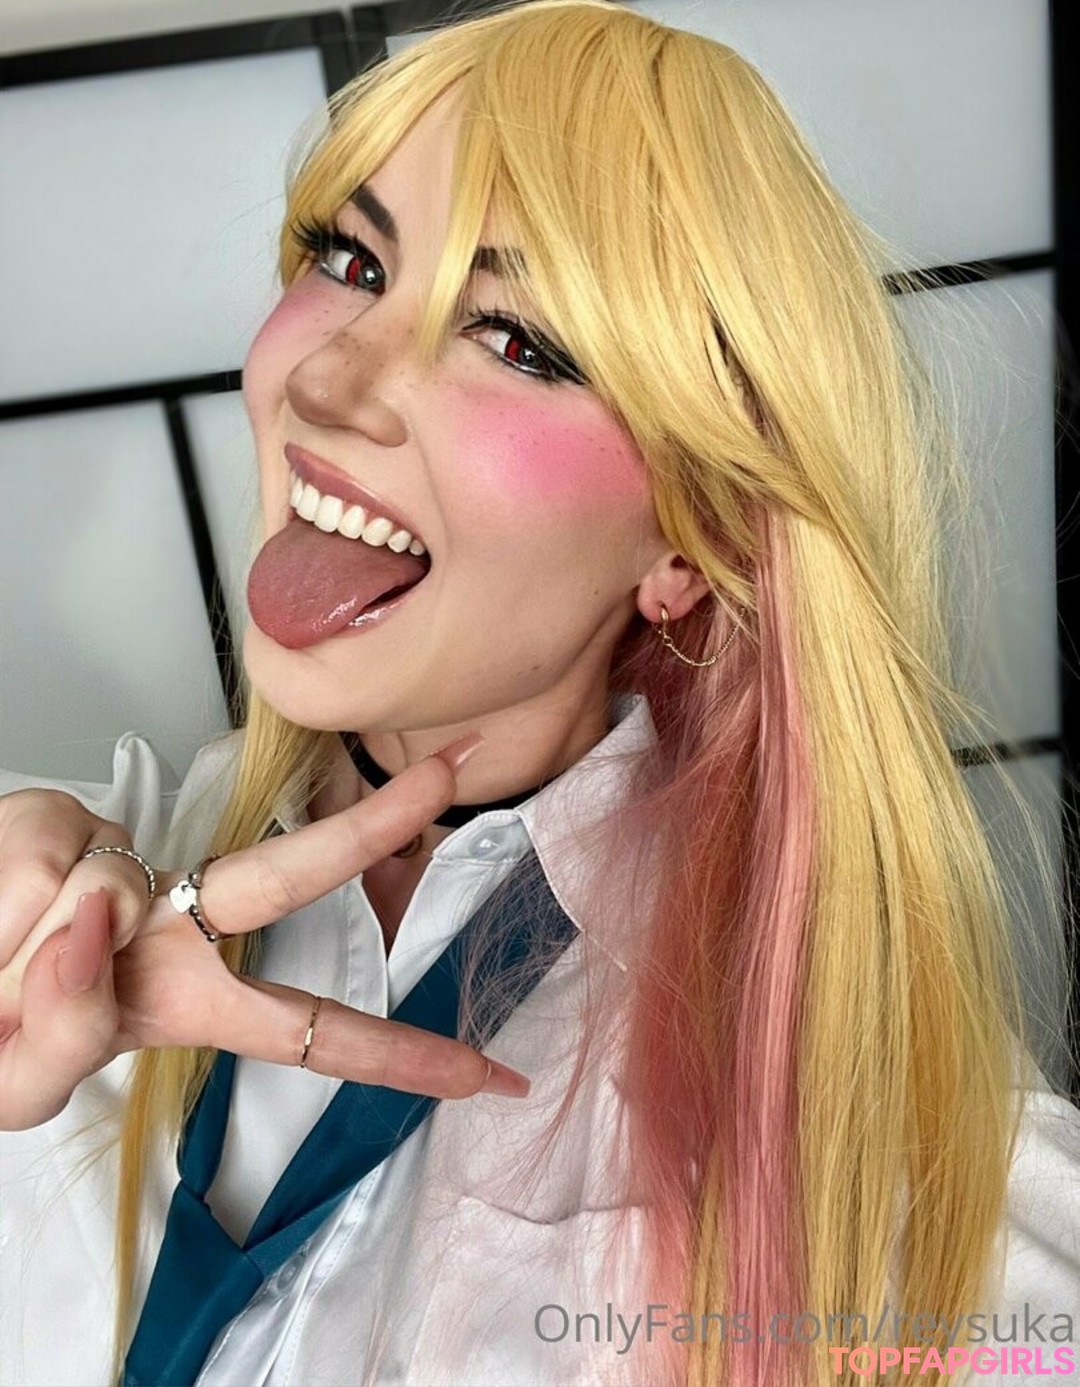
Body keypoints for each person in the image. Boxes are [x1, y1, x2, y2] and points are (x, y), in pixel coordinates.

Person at [1, 1, 1077, 1384]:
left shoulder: (865, 1134)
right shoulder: (71, 889)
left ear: (690, 542)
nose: (326, 378)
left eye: (515, 340)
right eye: (351, 259)